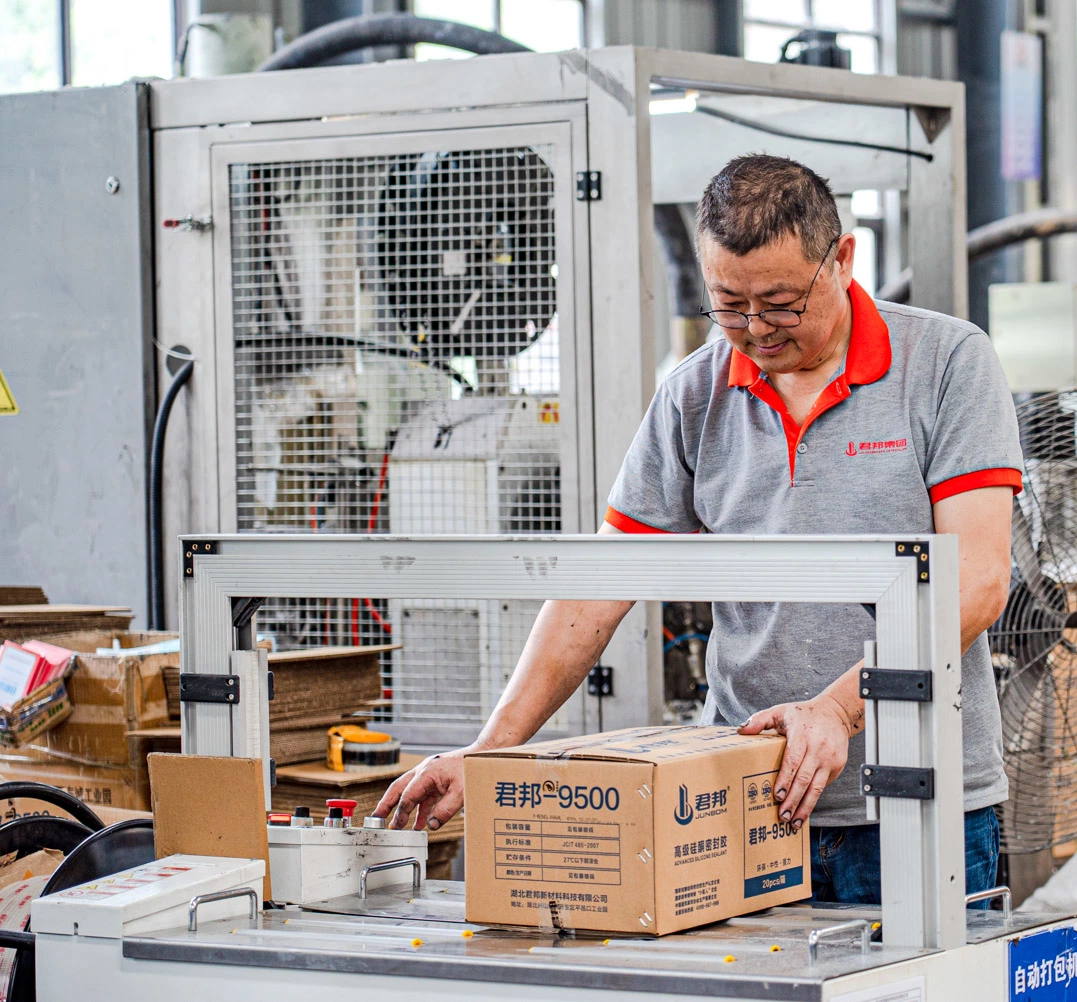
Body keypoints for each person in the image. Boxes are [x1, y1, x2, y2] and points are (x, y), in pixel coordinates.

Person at [374, 154, 1023, 905]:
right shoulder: (695, 393)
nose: (755, 330)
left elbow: (975, 582)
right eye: (729, 304)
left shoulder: (945, 364)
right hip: (744, 802)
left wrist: (835, 711)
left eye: (780, 304)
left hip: (921, 803)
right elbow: (602, 585)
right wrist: (490, 752)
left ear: (842, 260)